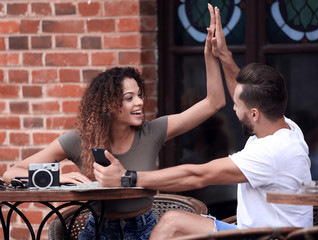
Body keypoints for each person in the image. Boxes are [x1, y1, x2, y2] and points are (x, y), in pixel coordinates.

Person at [2, 4, 225, 239]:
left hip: (146, 231)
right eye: (129, 98)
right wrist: (59, 177)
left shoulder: (153, 131)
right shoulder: (80, 139)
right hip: (97, 231)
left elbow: (214, 102)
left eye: (139, 95)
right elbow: (10, 172)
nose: (139, 102)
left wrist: (210, 55)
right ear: (108, 105)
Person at [92, 6, 313, 240]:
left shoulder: (270, 153)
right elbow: (248, 95)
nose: (234, 107)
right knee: (173, 222)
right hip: (255, 231)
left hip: (268, 237)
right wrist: (224, 56)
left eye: (237, 106)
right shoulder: (286, 127)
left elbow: (198, 176)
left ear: (255, 114)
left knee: (171, 224)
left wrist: (127, 177)